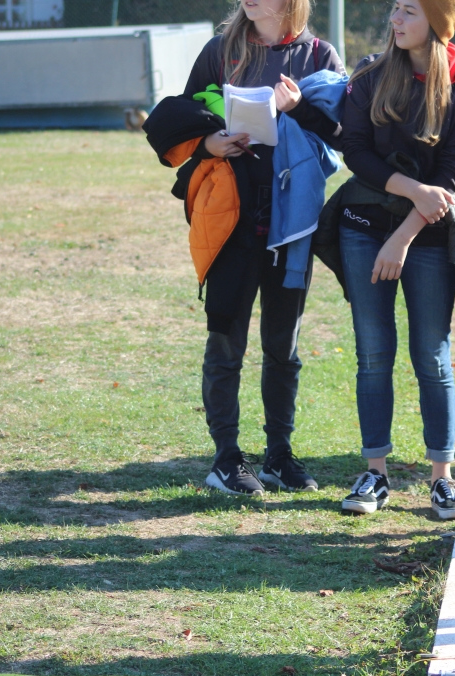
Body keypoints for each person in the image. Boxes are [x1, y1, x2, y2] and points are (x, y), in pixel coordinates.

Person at [144, 0, 345, 495]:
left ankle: (279, 455)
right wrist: (209, 144)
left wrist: (298, 109)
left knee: (283, 346)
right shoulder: (221, 50)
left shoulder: (318, 55)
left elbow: (344, 135)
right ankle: (226, 458)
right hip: (231, 221)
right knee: (226, 342)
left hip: (291, 224)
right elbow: (183, 117)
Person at [333, 0, 455, 519]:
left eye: (409, 12)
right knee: (374, 353)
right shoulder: (370, 75)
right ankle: (374, 474)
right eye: (395, 9)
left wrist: (403, 235)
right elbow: (355, 151)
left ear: (438, 24)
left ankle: (443, 479)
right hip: (363, 226)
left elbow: (454, 169)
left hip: (427, 235)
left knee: (432, 356)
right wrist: (411, 189)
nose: (396, 21)